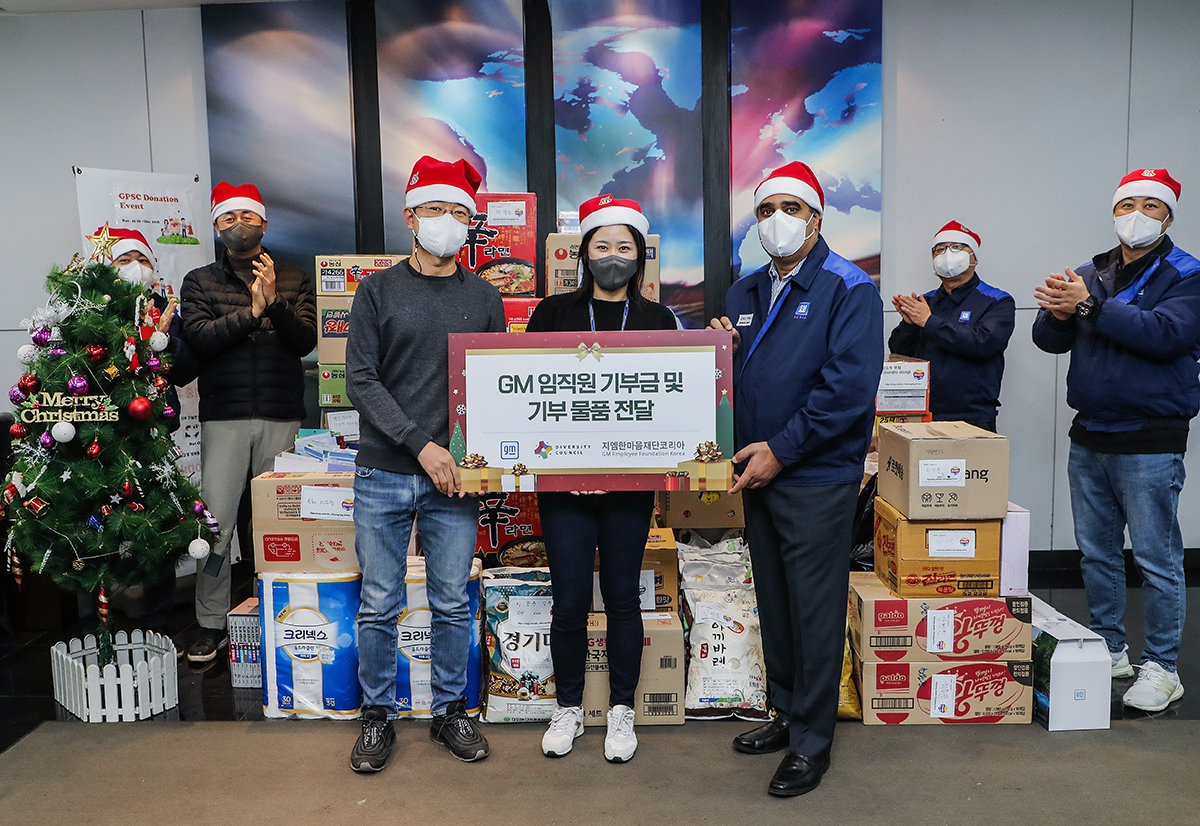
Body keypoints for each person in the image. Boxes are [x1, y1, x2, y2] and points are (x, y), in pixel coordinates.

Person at [708, 161, 882, 797]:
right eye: (765, 209)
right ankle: (784, 711)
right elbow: (734, 380)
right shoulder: (743, 292)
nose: (776, 220)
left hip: (814, 474)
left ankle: (813, 740)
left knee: (814, 606)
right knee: (775, 600)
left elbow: (846, 392)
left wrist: (781, 451)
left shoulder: (849, 287)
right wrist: (713, 354)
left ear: (816, 217)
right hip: (755, 473)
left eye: (791, 208)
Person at [346, 156, 504, 773]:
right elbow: (361, 380)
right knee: (379, 602)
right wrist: (421, 444)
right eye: (434, 209)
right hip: (384, 472)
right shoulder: (377, 290)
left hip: (456, 480)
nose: (446, 221)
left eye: (458, 211)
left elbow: (496, 387)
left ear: (471, 223)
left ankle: (449, 711)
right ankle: (378, 717)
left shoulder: (485, 298)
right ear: (411, 216)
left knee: (451, 602)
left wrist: (473, 455)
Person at [1033, 167, 1198, 713]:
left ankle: (1164, 666)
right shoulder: (1092, 271)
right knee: (1097, 555)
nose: (1137, 216)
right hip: (1091, 435)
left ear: (1169, 216)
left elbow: (1165, 335)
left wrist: (1087, 306)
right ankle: (1111, 645)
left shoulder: (1186, 273)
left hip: (1151, 440)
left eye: (1152, 207)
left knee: (1156, 559)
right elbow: (1047, 339)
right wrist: (1059, 314)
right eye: (1128, 204)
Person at [525, 195, 677, 764]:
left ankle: (621, 711)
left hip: (630, 488)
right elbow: (532, 395)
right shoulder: (551, 312)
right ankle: (566, 707)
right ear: (583, 252)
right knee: (566, 601)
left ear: (640, 256)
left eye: (625, 246)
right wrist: (573, 466)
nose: (613, 256)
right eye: (601, 245)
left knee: (620, 598)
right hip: (562, 486)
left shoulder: (659, 320)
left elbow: (671, 406)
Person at [179, 183, 316, 663]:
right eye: (228, 217)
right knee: (215, 523)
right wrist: (252, 312)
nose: (239, 224)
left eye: (248, 216)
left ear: (263, 222)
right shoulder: (199, 281)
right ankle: (211, 622)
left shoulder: (295, 277)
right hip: (225, 420)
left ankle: (282, 613)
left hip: (283, 416)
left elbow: (303, 342)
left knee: (279, 522)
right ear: (217, 225)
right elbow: (199, 338)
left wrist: (274, 302)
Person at [108, 228, 200, 643]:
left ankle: (157, 618)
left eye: (143, 260)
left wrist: (165, 343)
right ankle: (106, 612)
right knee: (104, 520)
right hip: (103, 434)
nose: (135, 268)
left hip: (156, 431)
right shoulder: (92, 309)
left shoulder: (164, 308)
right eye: (124, 260)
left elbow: (185, 370)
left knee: (159, 522)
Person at [888, 221, 1015, 431]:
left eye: (956, 247)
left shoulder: (997, 301)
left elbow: (983, 343)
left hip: (972, 417)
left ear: (974, 257)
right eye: (939, 249)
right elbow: (899, 352)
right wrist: (910, 326)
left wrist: (928, 322)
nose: (946, 254)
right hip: (920, 414)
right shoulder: (925, 301)